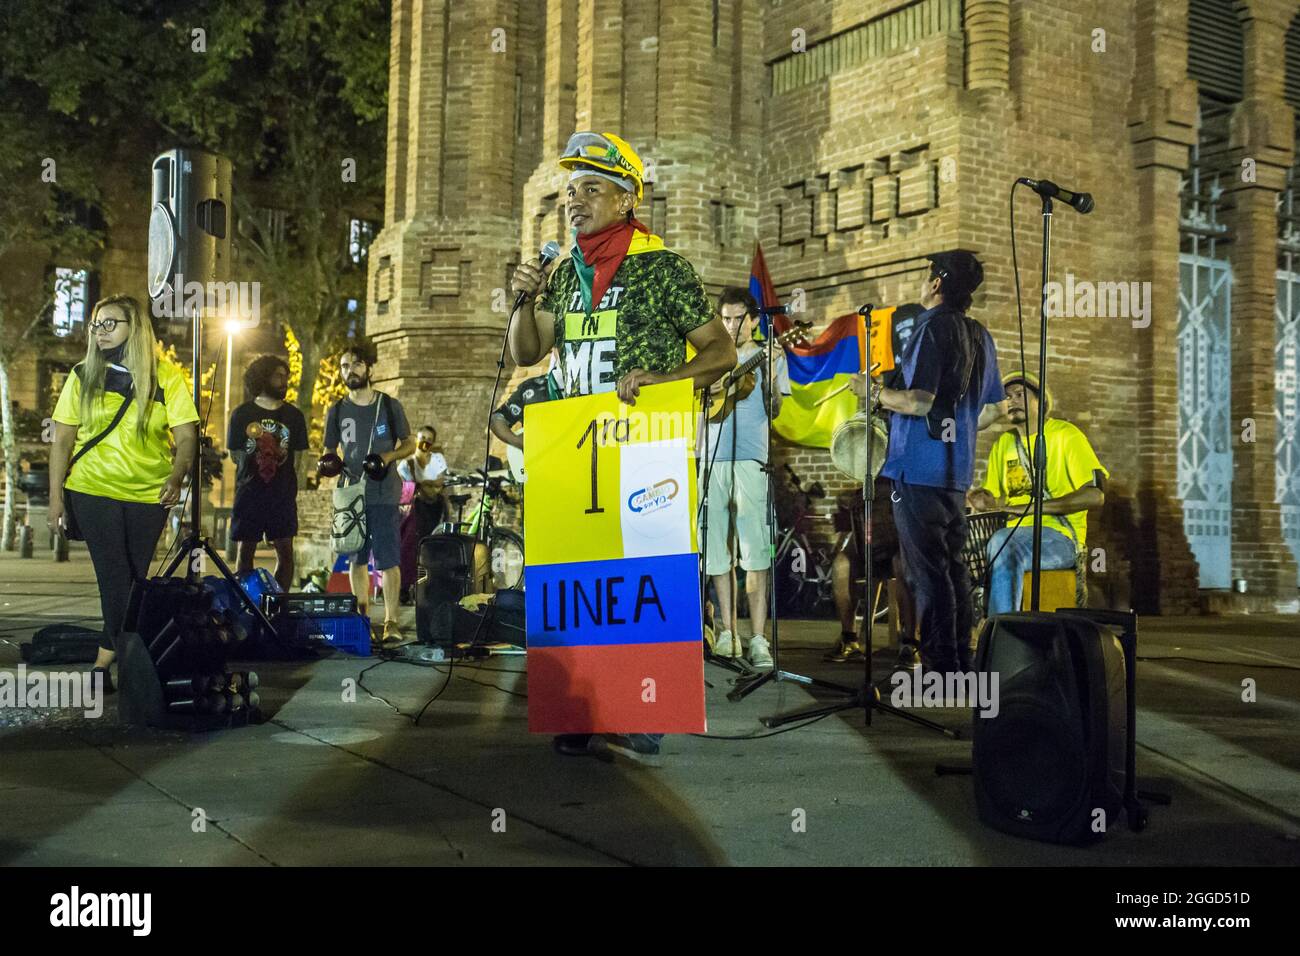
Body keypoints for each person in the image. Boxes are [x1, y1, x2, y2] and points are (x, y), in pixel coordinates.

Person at [508, 130, 736, 763]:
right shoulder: (563, 274)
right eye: (570, 191)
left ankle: (642, 708)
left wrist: (664, 381)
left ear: (627, 198)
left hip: (645, 451)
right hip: (574, 455)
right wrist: (521, 299)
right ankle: (577, 709)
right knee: (578, 584)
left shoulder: (661, 268)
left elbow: (722, 351)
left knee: (643, 584)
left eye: (591, 189)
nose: (575, 201)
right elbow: (529, 351)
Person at [46, 294, 199, 692]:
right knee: (116, 580)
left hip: (150, 495)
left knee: (132, 581)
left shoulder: (166, 377)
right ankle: (132, 666)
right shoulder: (82, 375)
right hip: (92, 489)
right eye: (96, 324)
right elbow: (61, 442)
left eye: (110, 323)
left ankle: (102, 666)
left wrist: (179, 474)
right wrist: (55, 499)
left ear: (136, 328)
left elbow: (186, 438)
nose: (100, 331)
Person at [876, 252, 1007, 676]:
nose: (922, 281)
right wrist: (961, 428)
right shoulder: (979, 333)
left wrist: (873, 394)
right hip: (956, 472)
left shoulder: (931, 327)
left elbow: (919, 401)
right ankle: (960, 663)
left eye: (926, 274)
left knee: (927, 574)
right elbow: (993, 411)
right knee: (953, 569)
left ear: (936, 284)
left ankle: (940, 668)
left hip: (917, 468)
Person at [698, 287, 788, 670]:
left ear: (754, 320)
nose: (732, 326)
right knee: (716, 551)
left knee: (754, 552)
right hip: (711, 458)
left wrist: (768, 374)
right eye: (726, 319)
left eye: (739, 318)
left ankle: (758, 638)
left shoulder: (770, 355)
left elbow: (776, 408)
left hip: (752, 458)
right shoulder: (709, 356)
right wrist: (709, 387)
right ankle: (727, 632)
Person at [967, 372, 1108, 615]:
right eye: (1007, 397)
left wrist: (1032, 509)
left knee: (1003, 543)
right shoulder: (1003, 444)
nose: (1011, 401)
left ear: (1041, 401)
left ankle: (1000, 632)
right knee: (950, 547)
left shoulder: (1066, 435)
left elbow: (1095, 495)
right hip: (1012, 533)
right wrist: (982, 499)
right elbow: (994, 497)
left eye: (1020, 395)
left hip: (1059, 536)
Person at [322, 340, 416, 648]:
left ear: (369, 368)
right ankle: (362, 618)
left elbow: (409, 443)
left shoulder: (388, 405)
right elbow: (328, 449)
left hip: (384, 492)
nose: (351, 371)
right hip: (351, 494)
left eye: (357, 364)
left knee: (388, 559)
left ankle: (390, 621)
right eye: (345, 366)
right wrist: (328, 463)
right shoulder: (336, 410)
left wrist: (388, 458)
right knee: (356, 559)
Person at [227, 354, 308, 592]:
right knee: (245, 552)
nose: (284, 381)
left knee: (285, 553)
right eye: (278, 376)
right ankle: (248, 605)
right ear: (263, 378)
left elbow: (300, 457)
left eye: (286, 376)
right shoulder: (241, 414)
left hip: (282, 495)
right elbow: (234, 454)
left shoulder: (294, 416)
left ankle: (277, 605)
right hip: (250, 494)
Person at [397, 425, 450, 601]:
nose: (425, 442)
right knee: (410, 546)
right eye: (422, 438)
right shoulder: (407, 464)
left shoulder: (438, 459)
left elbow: (441, 480)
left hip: (436, 506)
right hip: (417, 508)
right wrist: (430, 483)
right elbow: (407, 487)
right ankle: (405, 586)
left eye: (429, 439)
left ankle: (431, 586)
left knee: (434, 546)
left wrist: (424, 482)